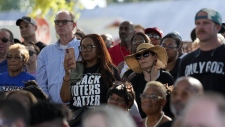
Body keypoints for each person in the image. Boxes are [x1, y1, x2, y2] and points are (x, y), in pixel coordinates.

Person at [60, 34, 121, 126]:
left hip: (100, 121)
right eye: (82, 47)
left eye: (89, 47)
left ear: (99, 50)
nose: (85, 50)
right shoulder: (76, 69)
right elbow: (65, 98)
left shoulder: (109, 70)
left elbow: (117, 98)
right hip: (77, 121)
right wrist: (67, 74)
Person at [178, 8, 225, 96]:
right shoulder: (186, 60)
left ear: (217, 27)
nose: (200, 27)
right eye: (197, 23)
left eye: (206, 23)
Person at [36, 10, 80, 103]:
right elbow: (41, 83)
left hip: (78, 107)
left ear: (74, 25)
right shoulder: (45, 52)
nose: (60, 24)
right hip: (53, 109)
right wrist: (50, 104)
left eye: (64, 21)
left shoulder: (83, 47)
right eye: (57, 22)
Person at [125, 43, 174, 118]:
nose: (142, 58)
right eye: (138, 56)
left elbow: (172, 105)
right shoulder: (135, 81)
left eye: (145, 54)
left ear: (155, 57)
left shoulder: (166, 78)